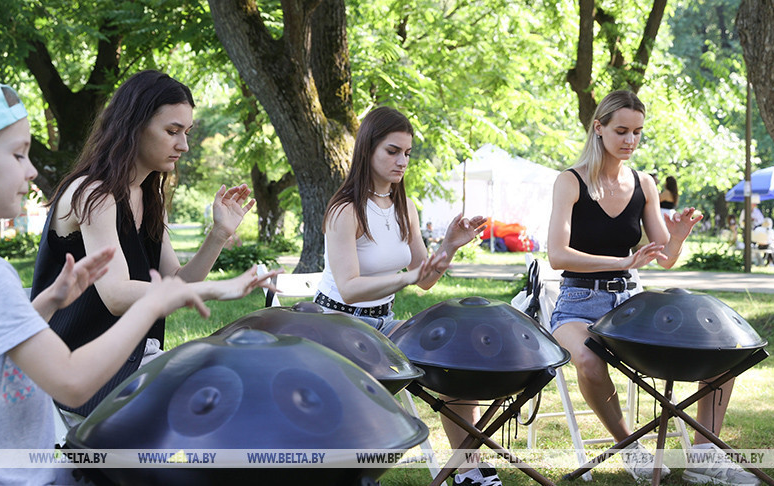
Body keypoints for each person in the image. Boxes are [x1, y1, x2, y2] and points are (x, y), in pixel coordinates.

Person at [0, 73, 219, 484]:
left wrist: (48, 302)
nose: (33, 171)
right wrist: (157, 301)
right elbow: (72, 382)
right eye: (19, 155)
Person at [31, 70, 281, 417]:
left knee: (242, 385)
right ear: (132, 127)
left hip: (130, 360)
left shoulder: (148, 195)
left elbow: (177, 281)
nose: (184, 145)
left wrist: (218, 234)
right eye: (172, 131)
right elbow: (116, 296)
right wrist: (218, 289)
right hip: (77, 372)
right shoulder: (94, 194)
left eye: (187, 132)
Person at [547, 90, 757, 485]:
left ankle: (704, 457)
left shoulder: (644, 183)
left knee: (721, 348)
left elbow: (664, 257)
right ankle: (630, 448)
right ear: (599, 128)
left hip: (630, 304)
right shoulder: (570, 182)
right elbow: (558, 255)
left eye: (638, 132)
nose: (630, 140)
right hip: (576, 305)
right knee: (589, 361)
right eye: (621, 130)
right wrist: (623, 261)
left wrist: (677, 236)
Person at [315, 107, 496, 486]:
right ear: (368, 151)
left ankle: (469, 472)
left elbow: (423, 278)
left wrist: (449, 246)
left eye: (408, 153)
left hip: (384, 323)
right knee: (364, 390)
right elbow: (349, 287)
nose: (403, 161)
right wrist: (408, 277)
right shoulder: (344, 209)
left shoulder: (403, 206)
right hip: (337, 325)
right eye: (392, 151)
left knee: (455, 368)